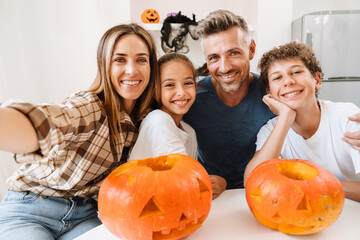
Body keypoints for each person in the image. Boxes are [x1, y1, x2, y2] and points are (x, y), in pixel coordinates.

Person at [0, 23, 158, 240]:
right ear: (105, 66)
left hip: (85, 215)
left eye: (141, 59)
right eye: (119, 59)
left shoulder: (149, 119)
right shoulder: (91, 107)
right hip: (31, 208)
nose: (132, 70)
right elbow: (50, 121)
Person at [183, 9, 360, 199]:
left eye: (233, 53)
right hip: (212, 193)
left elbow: (317, 107)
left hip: (266, 193)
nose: (225, 67)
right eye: (214, 57)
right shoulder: (191, 97)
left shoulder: (276, 92)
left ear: (251, 49)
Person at [243, 42, 360, 202]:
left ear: (317, 79)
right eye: (277, 77)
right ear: (269, 94)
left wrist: (321, 183)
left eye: (296, 72)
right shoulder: (270, 131)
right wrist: (285, 117)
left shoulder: (346, 117)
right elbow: (252, 182)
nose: (288, 82)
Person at [129, 53, 197, 160]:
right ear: (156, 91)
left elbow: (190, 171)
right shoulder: (158, 119)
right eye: (169, 85)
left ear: (196, 86)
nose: (181, 92)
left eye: (188, 83)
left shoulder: (190, 132)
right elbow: (185, 169)